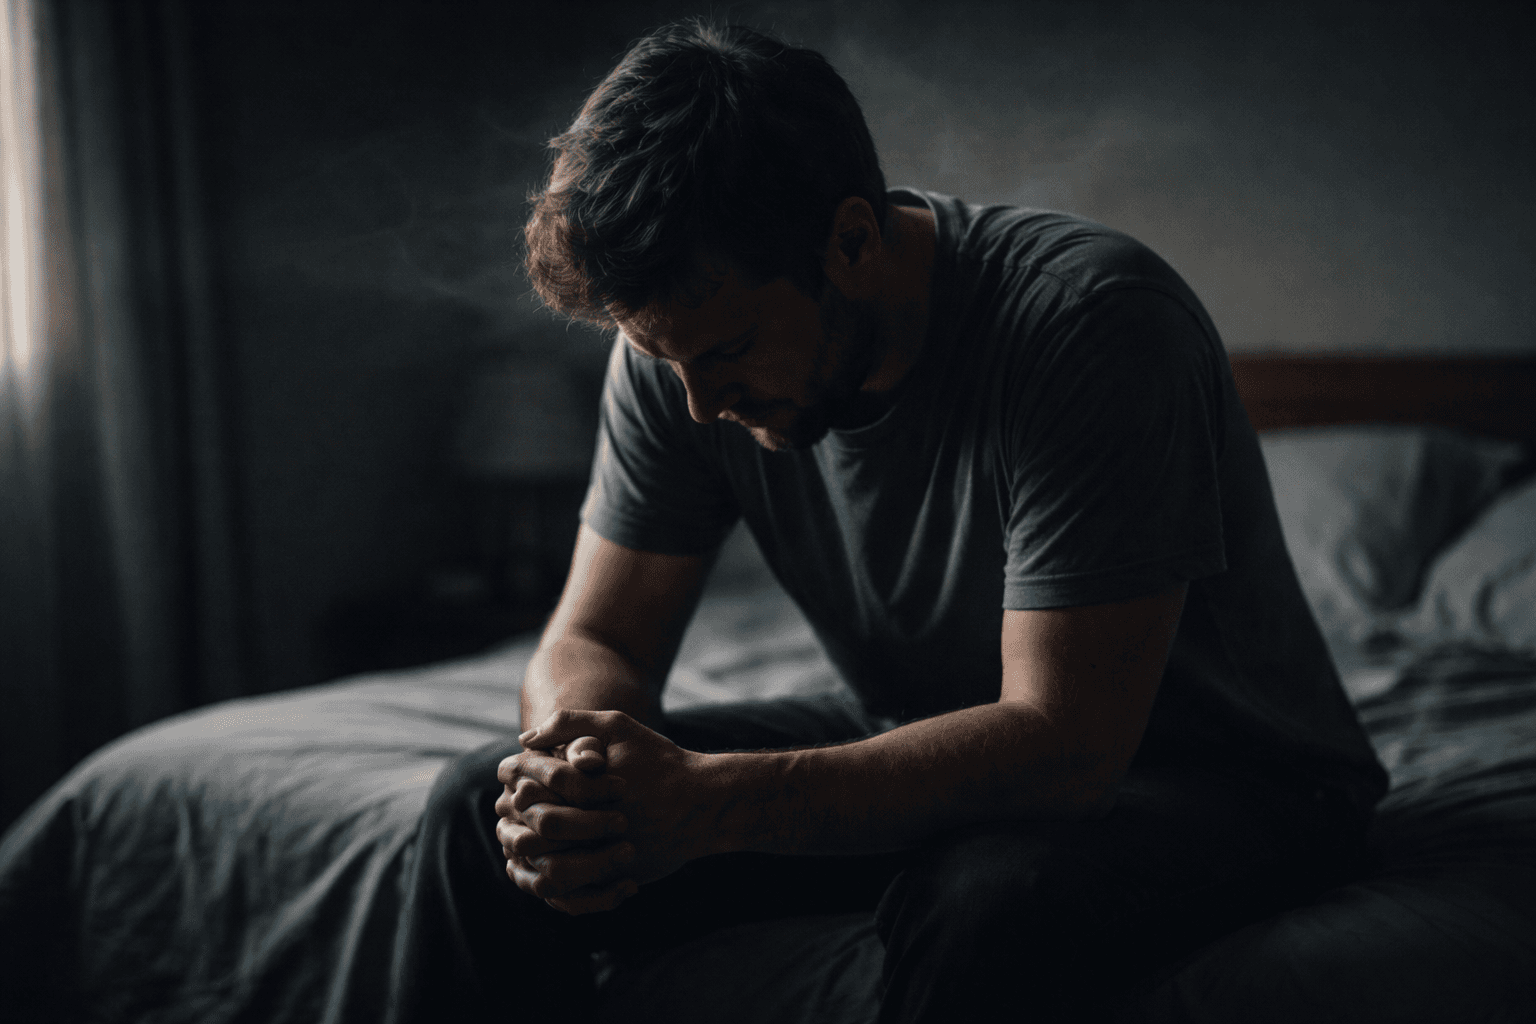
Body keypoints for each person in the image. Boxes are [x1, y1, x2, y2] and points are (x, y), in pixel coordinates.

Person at [386, 19, 1387, 1024]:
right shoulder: (682, 352)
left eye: (728, 350)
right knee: (483, 811)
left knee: (991, 899)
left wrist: (707, 801)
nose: (697, 402)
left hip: (1222, 777)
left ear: (853, 241)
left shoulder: (1091, 326)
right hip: (923, 727)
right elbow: (598, 633)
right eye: (665, 360)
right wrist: (581, 776)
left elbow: (1066, 748)